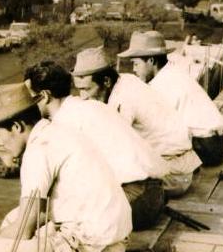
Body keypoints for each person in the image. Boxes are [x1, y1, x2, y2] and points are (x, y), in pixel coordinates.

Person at [0, 82, 131, 252]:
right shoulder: (56, 132)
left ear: (16, 127)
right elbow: (31, 217)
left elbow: (24, 231)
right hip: (110, 250)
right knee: (12, 218)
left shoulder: (38, 150)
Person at [23, 61, 168, 229]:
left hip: (135, 203)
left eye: (29, 98)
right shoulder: (91, 105)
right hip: (154, 194)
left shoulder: (63, 124)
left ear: (45, 96)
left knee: (48, 217)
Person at [71, 46, 202, 196]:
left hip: (173, 175)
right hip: (180, 167)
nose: (83, 97)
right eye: (79, 90)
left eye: (87, 89)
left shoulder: (122, 100)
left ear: (106, 81)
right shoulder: (126, 81)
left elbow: (110, 147)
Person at [119, 30, 223, 167]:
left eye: (136, 64)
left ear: (151, 61)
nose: (134, 69)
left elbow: (158, 128)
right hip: (216, 141)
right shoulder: (172, 72)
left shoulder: (162, 84)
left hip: (205, 147)